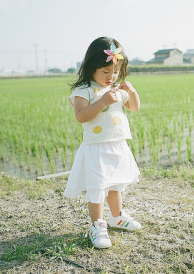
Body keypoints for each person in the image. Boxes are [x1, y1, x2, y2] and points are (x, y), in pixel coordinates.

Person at [64, 37, 141, 248]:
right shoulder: (85, 91)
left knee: (115, 184)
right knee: (97, 187)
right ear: (91, 69)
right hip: (96, 147)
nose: (111, 77)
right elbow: (81, 115)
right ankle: (97, 225)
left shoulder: (117, 89)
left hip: (117, 144)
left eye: (115, 71)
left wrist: (132, 92)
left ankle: (117, 216)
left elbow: (134, 107)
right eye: (105, 72)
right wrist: (102, 101)